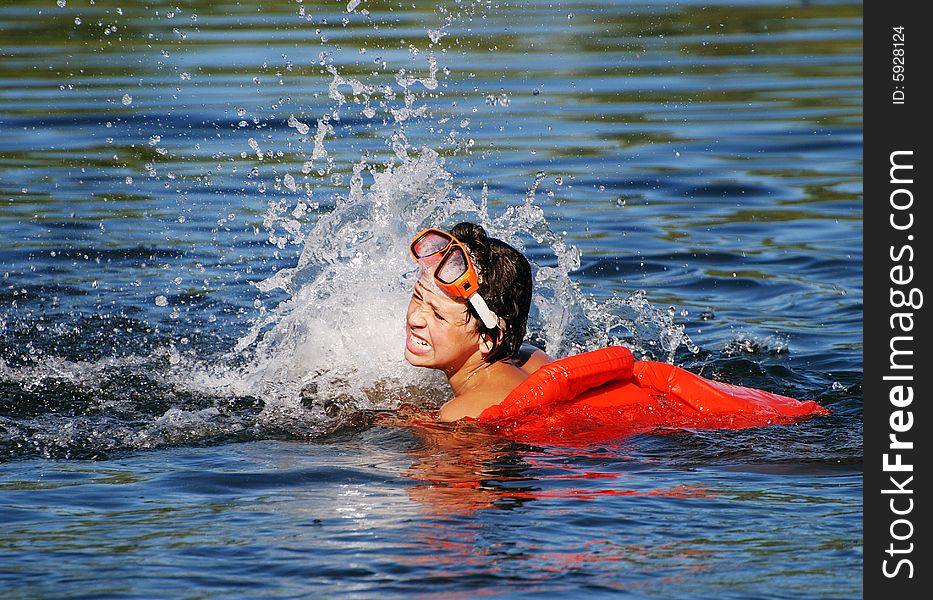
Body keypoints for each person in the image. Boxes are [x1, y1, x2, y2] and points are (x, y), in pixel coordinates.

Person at [404, 222, 550, 421]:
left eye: (438, 315)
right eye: (418, 297)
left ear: (488, 338)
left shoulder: (458, 415)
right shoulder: (534, 358)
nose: (414, 319)